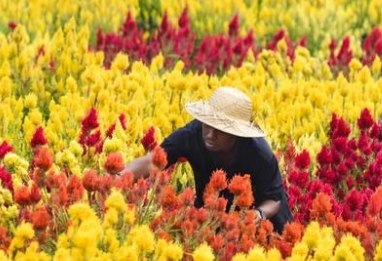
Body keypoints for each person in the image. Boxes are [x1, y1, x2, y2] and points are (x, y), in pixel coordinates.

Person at [123, 86, 294, 233]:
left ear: (236, 132)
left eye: (220, 129)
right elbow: (153, 160)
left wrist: (258, 214)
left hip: (261, 224)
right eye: (208, 124)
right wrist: (119, 177)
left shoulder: (259, 153)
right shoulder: (191, 135)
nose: (210, 134)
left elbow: (275, 199)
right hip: (211, 215)